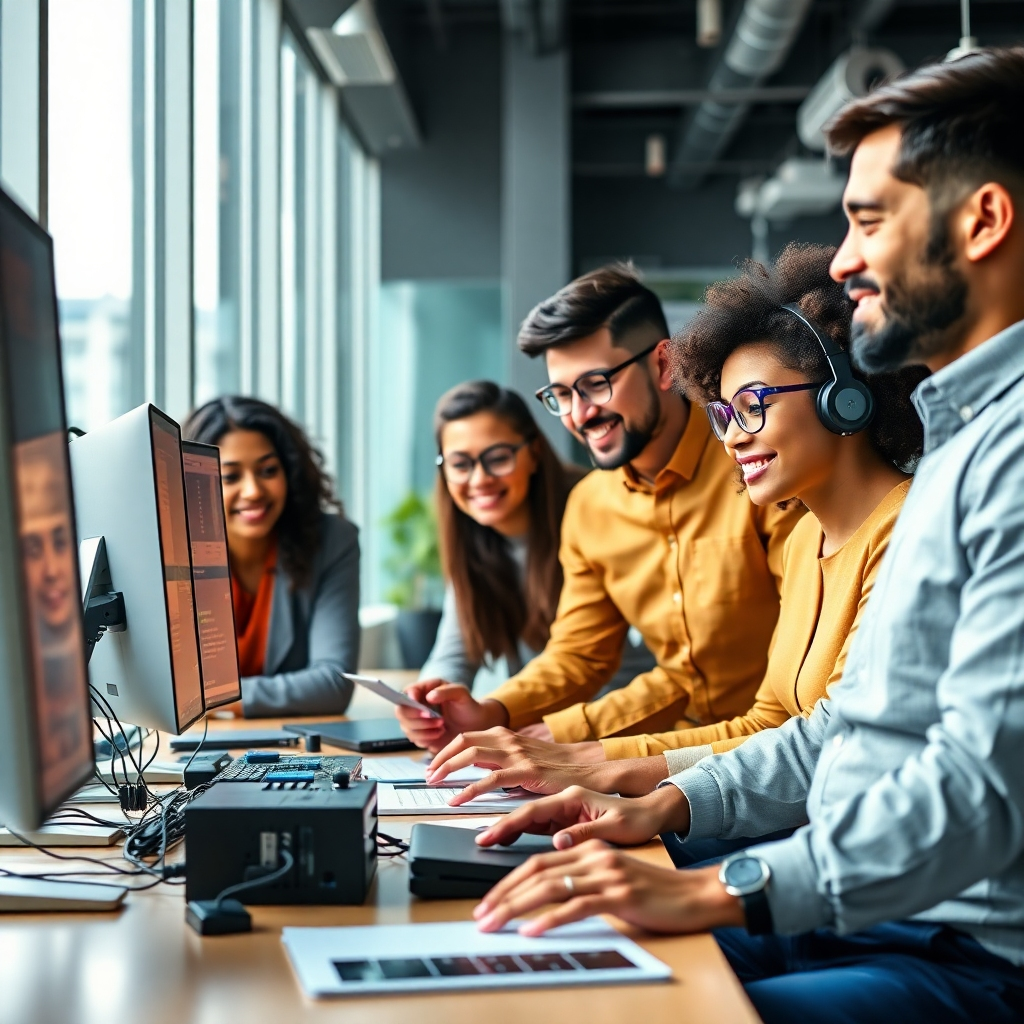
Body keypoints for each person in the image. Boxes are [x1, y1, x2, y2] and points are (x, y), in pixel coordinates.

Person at [461, 48, 1024, 1024]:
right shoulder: (957, 443)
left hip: (963, 949)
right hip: (875, 910)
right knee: (539, 955)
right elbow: (834, 733)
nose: (846, 259)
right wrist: (657, 804)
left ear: (980, 219)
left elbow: (978, 790)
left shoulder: (1004, 458)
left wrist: (716, 884)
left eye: (867, 219)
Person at [426, 244, 927, 817]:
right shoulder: (804, 538)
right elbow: (769, 721)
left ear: (842, 401)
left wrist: (604, 766)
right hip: (730, 781)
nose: (735, 437)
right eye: (725, 414)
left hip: (796, 819)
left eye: (754, 405)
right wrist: (570, 751)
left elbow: (826, 745)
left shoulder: (885, 528)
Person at [397, 266, 804, 754]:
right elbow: (580, 655)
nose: (578, 414)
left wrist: (579, 745)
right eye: (561, 395)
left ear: (662, 364)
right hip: (676, 749)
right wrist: (493, 712)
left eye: (594, 384)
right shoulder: (590, 506)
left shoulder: (756, 464)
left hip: (771, 752)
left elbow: (785, 700)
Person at [183, 396, 360, 716]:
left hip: (288, 740)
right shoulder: (169, 554)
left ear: (289, 473)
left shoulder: (332, 542)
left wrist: (209, 698)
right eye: (231, 477)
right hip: (195, 742)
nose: (253, 491)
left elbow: (334, 682)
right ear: (194, 485)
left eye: (268, 470)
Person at [420, 381, 584, 689]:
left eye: (497, 458)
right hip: (531, 727)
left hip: (608, 728)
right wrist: (428, 697)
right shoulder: (471, 539)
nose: (479, 479)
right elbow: (455, 653)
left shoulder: (590, 512)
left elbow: (618, 668)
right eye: (460, 464)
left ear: (534, 452)